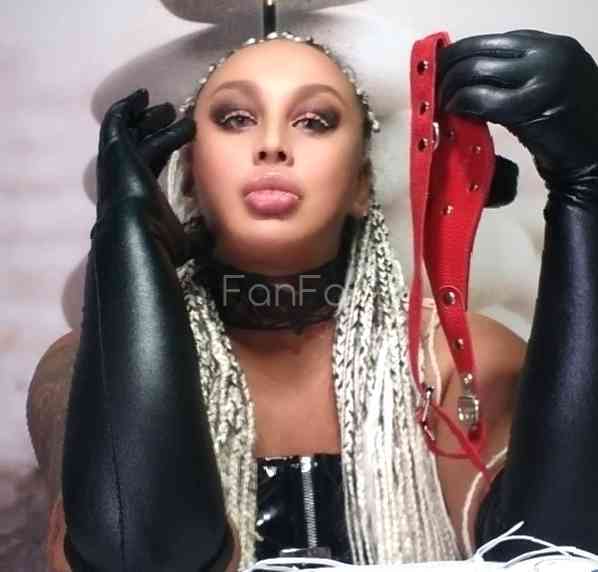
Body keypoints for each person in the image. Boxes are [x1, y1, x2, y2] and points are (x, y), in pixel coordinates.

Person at [26, 28, 598, 572]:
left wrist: (586, 192)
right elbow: (136, 557)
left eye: (314, 121)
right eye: (236, 119)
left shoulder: (453, 364)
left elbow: (551, 550)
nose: (273, 145)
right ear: (189, 175)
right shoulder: (79, 369)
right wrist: (127, 238)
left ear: (362, 185)